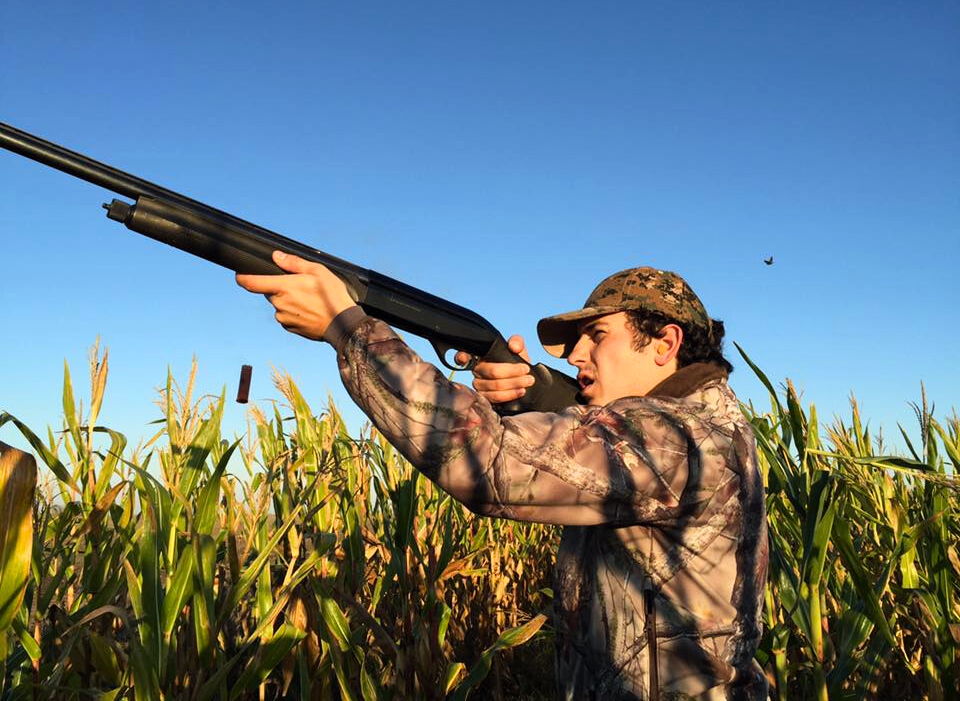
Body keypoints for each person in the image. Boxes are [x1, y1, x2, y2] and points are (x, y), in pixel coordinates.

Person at [237, 253, 768, 701]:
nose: (578, 353)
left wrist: (346, 326)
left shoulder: (675, 436)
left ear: (664, 344)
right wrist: (528, 395)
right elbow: (583, 447)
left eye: (597, 335)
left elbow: (490, 465)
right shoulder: (706, 421)